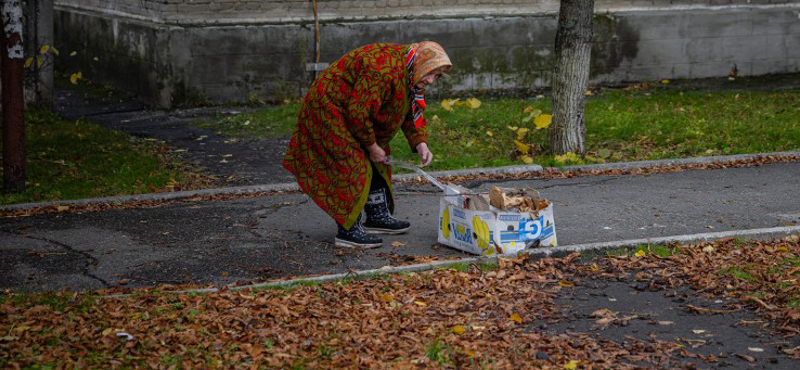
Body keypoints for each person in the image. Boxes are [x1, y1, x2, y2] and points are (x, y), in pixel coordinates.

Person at [283, 41, 452, 248]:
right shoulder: (383, 70)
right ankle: (348, 230)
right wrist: (371, 146)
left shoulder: (412, 71)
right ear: (422, 64)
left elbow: (409, 111)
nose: (431, 80)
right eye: (431, 73)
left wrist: (420, 144)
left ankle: (376, 217)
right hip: (329, 108)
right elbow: (358, 112)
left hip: (355, 110)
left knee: (380, 159)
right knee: (351, 162)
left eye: (437, 76)